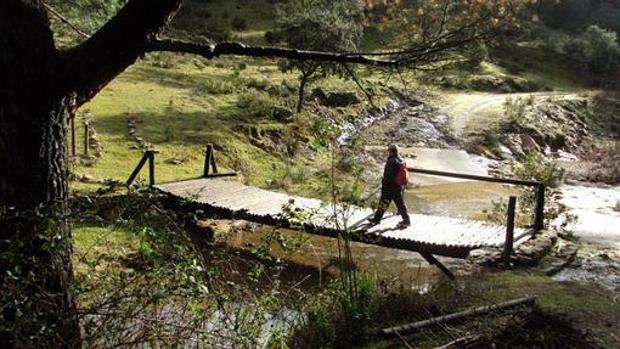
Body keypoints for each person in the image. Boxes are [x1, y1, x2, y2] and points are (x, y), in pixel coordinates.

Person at [369, 144, 411, 228]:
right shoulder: (402, 160)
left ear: (391, 151)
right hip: (398, 186)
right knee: (400, 204)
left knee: (383, 203)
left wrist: (384, 184)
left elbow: (388, 175)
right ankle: (406, 220)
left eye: (388, 151)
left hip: (389, 186)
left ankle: (376, 220)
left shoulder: (391, 161)